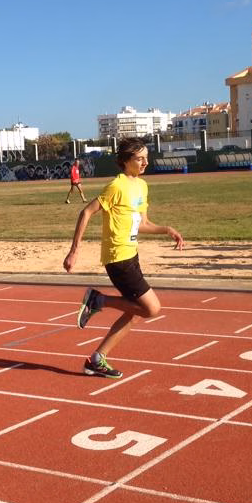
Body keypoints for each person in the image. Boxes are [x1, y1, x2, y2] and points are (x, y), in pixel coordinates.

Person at [63, 137, 185, 379]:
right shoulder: (116, 186)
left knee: (134, 312)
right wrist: (74, 250)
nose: (144, 163)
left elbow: (143, 223)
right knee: (151, 309)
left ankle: (96, 360)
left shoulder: (142, 186)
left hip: (132, 254)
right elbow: (86, 212)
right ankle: (98, 301)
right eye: (139, 159)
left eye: (146, 159)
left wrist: (166, 229)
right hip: (118, 257)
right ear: (126, 160)